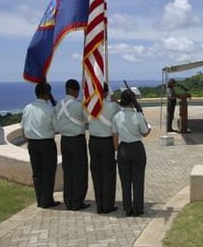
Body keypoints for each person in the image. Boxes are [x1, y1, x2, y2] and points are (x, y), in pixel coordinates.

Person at [21, 83, 59, 209]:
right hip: (46, 143)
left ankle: (40, 199)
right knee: (48, 172)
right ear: (46, 94)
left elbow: (23, 128)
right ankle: (47, 200)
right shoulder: (49, 109)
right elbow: (56, 127)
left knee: (37, 173)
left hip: (32, 143)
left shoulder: (27, 108)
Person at [112, 90, 151, 217]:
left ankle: (127, 208)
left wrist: (116, 151)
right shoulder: (138, 115)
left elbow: (115, 136)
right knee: (138, 180)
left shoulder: (116, 116)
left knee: (125, 181)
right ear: (132, 102)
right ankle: (138, 208)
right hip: (137, 148)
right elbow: (145, 132)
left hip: (123, 148)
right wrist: (148, 126)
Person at [55, 79, 89, 211]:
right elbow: (88, 119)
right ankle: (77, 201)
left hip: (64, 140)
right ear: (75, 91)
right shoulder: (78, 105)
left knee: (68, 171)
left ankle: (68, 199)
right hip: (77, 140)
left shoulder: (58, 104)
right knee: (80, 171)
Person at [88, 83, 120, 214]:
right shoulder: (113, 106)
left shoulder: (89, 106)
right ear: (107, 92)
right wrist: (114, 100)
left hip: (93, 141)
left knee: (96, 174)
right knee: (108, 174)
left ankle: (99, 205)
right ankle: (108, 205)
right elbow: (122, 113)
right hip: (107, 142)